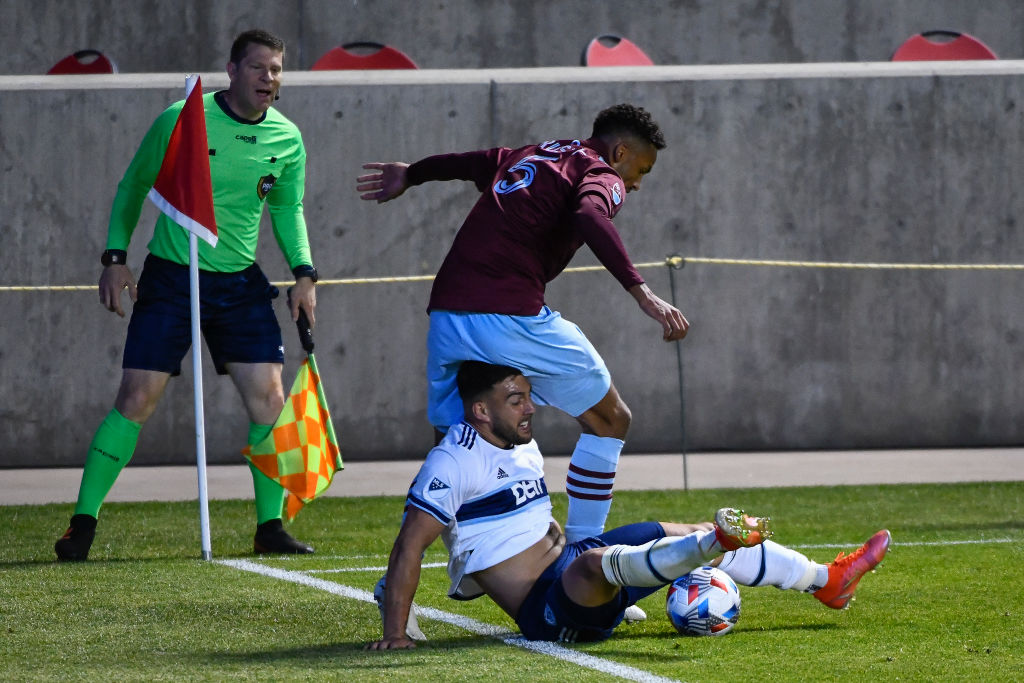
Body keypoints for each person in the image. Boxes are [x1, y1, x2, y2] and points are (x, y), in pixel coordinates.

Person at [367, 362, 892, 648]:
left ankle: (828, 581)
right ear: (481, 410)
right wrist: (395, 633)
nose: (531, 408)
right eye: (516, 399)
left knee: (673, 529)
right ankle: (709, 544)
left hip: (573, 565)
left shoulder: (520, 439)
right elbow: (408, 546)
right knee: (604, 562)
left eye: (528, 395)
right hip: (548, 612)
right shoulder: (451, 462)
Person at [357, 104, 688, 546]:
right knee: (611, 420)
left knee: (456, 442)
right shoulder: (601, 173)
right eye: (640, 169)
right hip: (508, 313)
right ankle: (585, 554)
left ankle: (447, 563)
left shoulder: (536, 152)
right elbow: (591, 215)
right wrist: (641, 292)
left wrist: (411, 173)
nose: (637, 183)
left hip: (447, 312)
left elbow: (470, 162)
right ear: (620, 151)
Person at [55, 29, 320, 561]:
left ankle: (270, 527)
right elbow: (133, 185)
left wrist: (304, 273)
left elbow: (287, 210)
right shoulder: (183, 119)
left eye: (276, 70)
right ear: (232, 70)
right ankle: (82, 524)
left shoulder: (287, 138)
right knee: (136, 399)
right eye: (258, 68)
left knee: (270, 399)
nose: (269, 79)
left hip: (240, 282)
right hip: (174, 277)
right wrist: (114, 258)